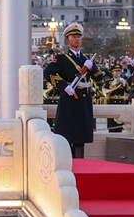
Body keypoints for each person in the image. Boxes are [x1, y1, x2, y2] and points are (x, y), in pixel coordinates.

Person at [44, 23, 103, 159]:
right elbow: (48, 72)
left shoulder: (86, 59)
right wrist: (64, 86)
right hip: (69, 100)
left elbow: (99, 77)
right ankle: (68, 164)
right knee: (67, 136)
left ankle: (80, 164)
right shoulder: (62, 58)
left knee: (80, 137)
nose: (77, 39)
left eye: (78, 37)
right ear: (67, 40)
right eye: (73, 37)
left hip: (84, 100)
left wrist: (92, 68)